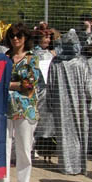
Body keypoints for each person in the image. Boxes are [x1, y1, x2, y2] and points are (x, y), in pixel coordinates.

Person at [0, 22, 40, 182]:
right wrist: (14, 85)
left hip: (25, 110)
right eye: (12, 36)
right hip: (4, 108)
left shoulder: (31, 59)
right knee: (3, 145)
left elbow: (29, 85)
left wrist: (7, 84)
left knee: (24, 147)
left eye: (19, 35)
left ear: (25, 37)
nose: (15, 39)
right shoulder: (5, 57)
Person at [47, 29, 92, 175]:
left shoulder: (56, 63)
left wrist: (50, 103)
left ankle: (66, 166)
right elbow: (89, 86)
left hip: (60, 105)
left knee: (64, 134)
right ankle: (79, 166)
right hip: (80, 105)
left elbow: (50, 85)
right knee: (80, 133)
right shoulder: (81, 62)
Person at [32, 23, 56, 162]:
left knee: (49, 121)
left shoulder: (51, 54)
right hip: (38, 89)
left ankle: (46, 148)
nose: (47, 40)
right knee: (36, 118)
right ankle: (33, 147)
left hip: (49, 91)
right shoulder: (33, 54)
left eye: (48, 38)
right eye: (44, 38)